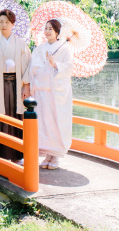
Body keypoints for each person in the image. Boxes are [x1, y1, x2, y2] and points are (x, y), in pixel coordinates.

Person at [0, 9, 32, 163]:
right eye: (1, 22)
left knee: (15, 116)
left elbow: (28, 65)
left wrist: (26, 86)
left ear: (12, 24)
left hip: (16, 84)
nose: (4, 25)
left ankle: (17, 155)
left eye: (7, 22)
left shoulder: (21, 44)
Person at [30, 18, 74, 170]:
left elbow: (68, 68)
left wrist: (55, 64)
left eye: (51, 29)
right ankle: (48, 155)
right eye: (46, 28)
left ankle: (55, 156)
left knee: (56, 121)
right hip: (42, 91)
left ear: (57, 32)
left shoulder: (65, 49)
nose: (47, 31)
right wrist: (42, 68)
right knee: (44, 122)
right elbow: (33, 68)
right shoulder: (39, 49)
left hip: (57, 92)